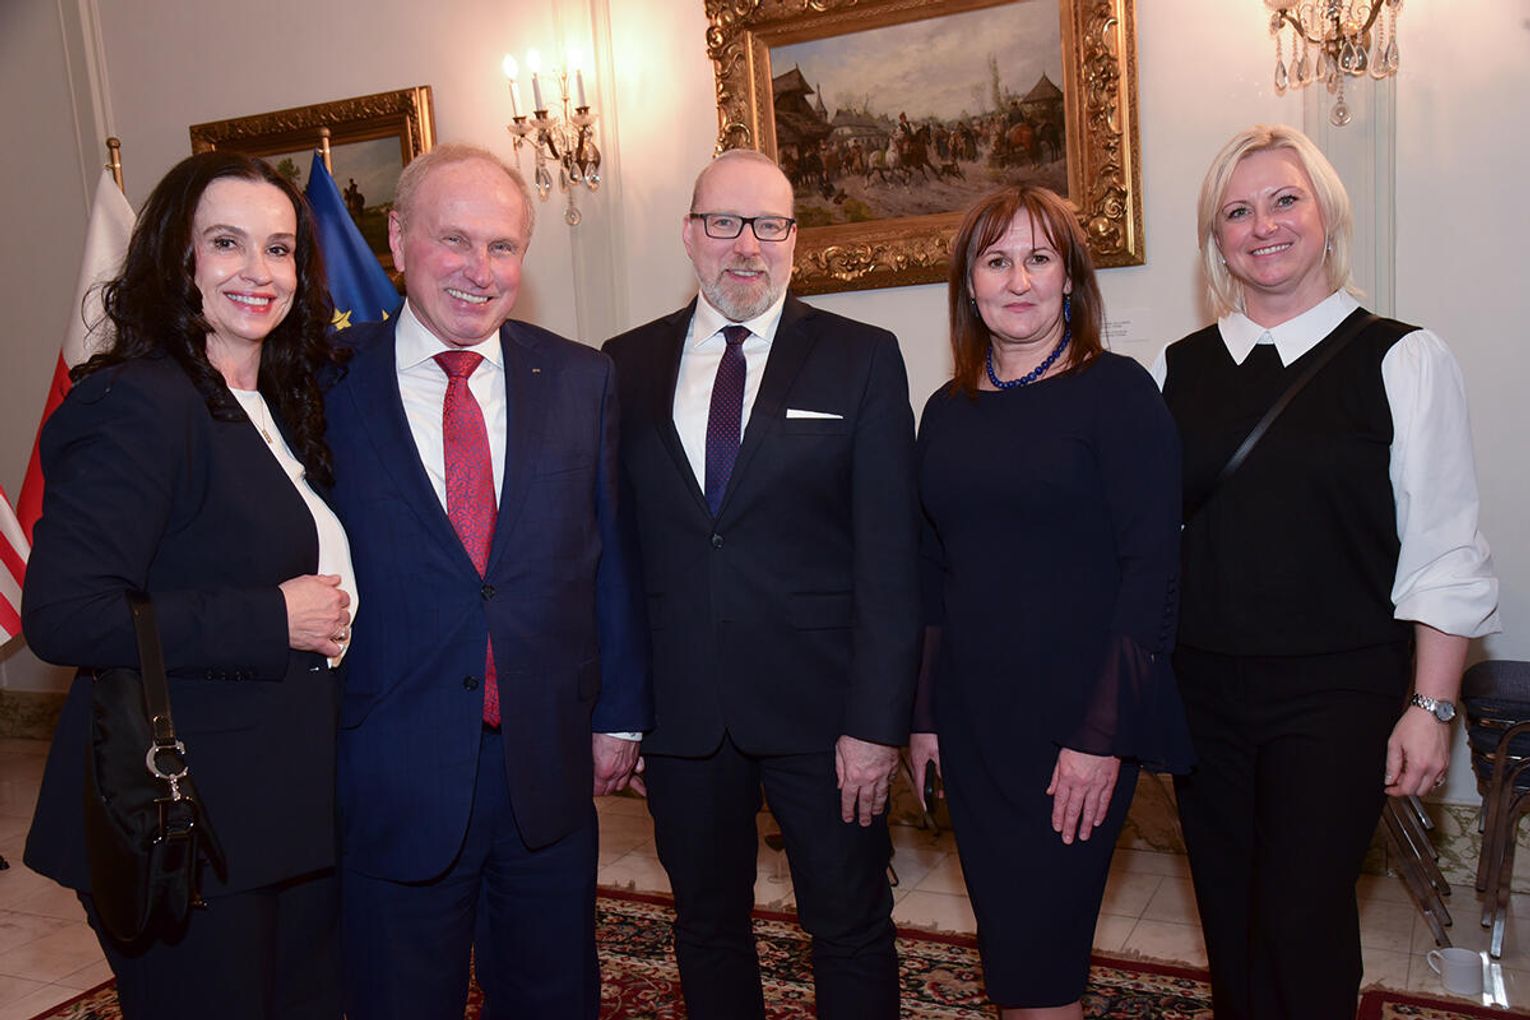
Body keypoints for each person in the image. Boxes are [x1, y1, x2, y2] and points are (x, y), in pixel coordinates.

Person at [1154, 124, 1500, 1019]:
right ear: (1216, 238)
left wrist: (1431, 708)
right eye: (1238, 211)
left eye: (1285, 200)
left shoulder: (1401, 358)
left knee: (1302, 921)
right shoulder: (1178, 369)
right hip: (1202, 692)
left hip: (1338, 694)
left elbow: (1445, 548)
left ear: (1328, 215)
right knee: (1229, 915)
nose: (1263, 225)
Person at [22, 151, 353, 1019]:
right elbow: (64, 615)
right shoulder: (137, 402)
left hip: (285, 813)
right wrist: (271, 618)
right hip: (186, 820)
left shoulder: (278, 402)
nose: (258, 271)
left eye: (278, 249)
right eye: (226, 243)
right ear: (177, 257)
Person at [324, 142, 651, 1020]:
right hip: (389, 765)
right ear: (399, 238)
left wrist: (620, 715)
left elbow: (610, 558)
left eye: (502, 247)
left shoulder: (581, 378)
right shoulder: (321, 382)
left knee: (553, 996)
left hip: (544, 766)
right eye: (455, 240)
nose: (480, 270)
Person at [602, 148, 920, 1019]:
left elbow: (891, 559)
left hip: (826, 716)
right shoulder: (623, 365)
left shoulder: (862, 357)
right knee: (706, 927)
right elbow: (614, 554)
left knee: (850, 925)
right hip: (681, 715)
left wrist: (876, 724)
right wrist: (621, 710)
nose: (747, 245)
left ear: (794, 239)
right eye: (724, 223)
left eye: (769, 225)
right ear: (689, 234)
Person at [908, 185, 1192, 1018]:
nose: (1019, 280)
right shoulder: (944, 412)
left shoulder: (1120, 393)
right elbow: (930, 573)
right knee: (1011, 950)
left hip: (1079, 724)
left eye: (1039, 258)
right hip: (973, 728)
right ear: (969, 286)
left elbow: (1151, 572)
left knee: (1044, 953)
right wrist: (922, 718)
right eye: (996, 261)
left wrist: (1103, 737)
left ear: (1070, 277)